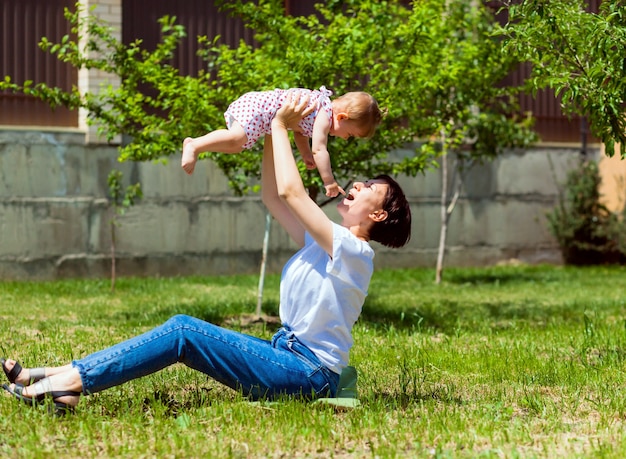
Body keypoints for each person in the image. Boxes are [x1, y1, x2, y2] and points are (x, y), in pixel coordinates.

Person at [2, 91, 411, 414]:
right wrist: (272, 128)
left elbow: (292, 191)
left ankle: (71, 381)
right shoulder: (324, 243)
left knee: (184, 331)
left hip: (309, 374)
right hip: (284, 356)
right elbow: (274, 196)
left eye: (367, 189)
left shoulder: (354, 252)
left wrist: (285, 127)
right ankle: (56, 378)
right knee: (184, 331)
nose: (355, 183)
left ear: (377, 212)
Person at [181, 86, 385, 197]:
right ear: (342, 118)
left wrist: (304, 153)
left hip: (263, 114)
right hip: (259, 108)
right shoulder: (324, 114)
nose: (343, 138)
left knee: (237, 146)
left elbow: (299, 131)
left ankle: (198, 146)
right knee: (236, 138)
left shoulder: (318, 113)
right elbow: (320, 150)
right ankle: (194, 145)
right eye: (348, 134)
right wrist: (329, 181)